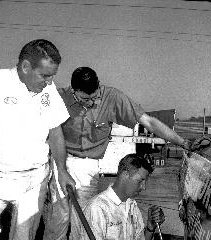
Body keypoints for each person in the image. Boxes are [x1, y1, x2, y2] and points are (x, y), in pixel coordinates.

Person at [42, 66, 190, 240]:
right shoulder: (58, 97)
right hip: (58, 159)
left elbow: (148, 122)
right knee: (56, 221)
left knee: (82, 222)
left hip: (87, 167)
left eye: (94, 97)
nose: (90, 103)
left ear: (99, 86)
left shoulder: (112, 97)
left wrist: (182, 141)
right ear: (73, 91)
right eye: (84, 99)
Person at [0, 39, 75, 240]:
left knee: (23, 236)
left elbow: (55, 133)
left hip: (34, 180)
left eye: (52, 76)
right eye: (45, 75)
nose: (49, 82)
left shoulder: (48, 90)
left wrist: (62, 170)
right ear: (26, 67)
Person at [70, 153, 165, 240]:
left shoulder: (131, 205)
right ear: (125, 174)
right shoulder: (98, 208)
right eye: (140, 181)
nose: (143, 187)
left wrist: (150, 228)